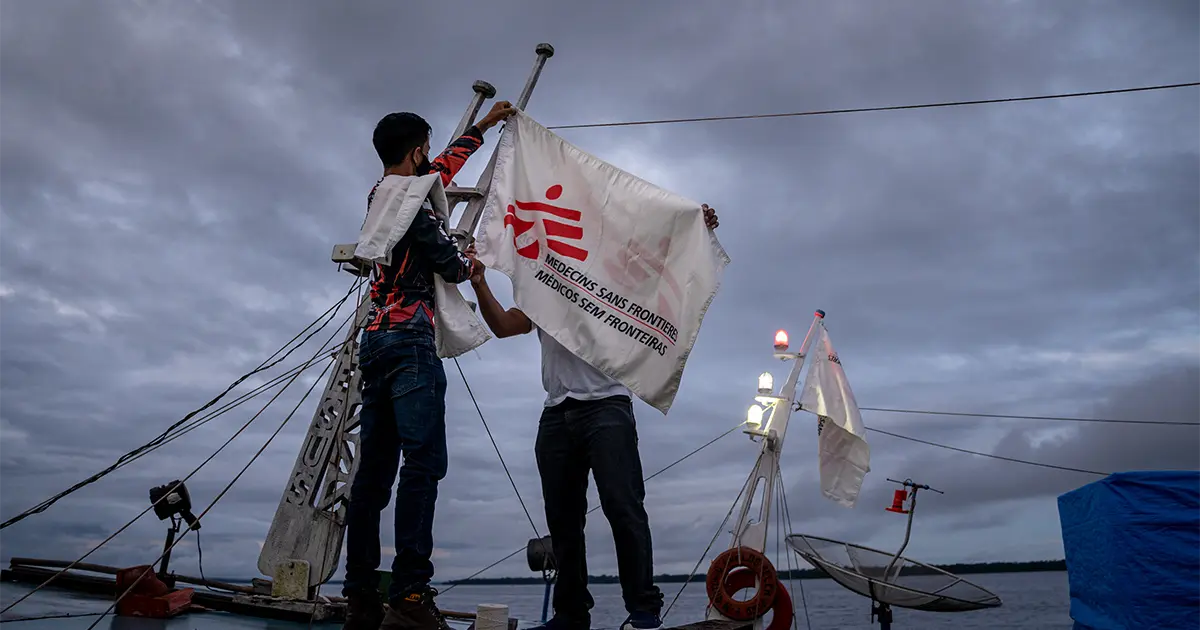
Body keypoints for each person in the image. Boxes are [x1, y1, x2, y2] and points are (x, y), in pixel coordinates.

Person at [469, 205, 721, 630]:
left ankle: (643, 607)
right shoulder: (543, 285)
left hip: (607, 406)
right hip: (555, 412)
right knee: (563, 521)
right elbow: (505, 326)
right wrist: (479, 282)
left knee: (623, 507)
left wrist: (694, 226)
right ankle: (571, 613)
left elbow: (662, 263)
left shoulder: (613, 276)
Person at [343, 101, 515, 630]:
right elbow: (447, 262)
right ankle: (411, 593)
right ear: (417, 151)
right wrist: (472, 266)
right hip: (410, 342)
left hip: (374, 341)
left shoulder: (383, 194)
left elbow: (440, 170)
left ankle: (361, 597)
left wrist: (482, 127)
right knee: (423, 464)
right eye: (427, 149)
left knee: (373, 475)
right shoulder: (413, 204)